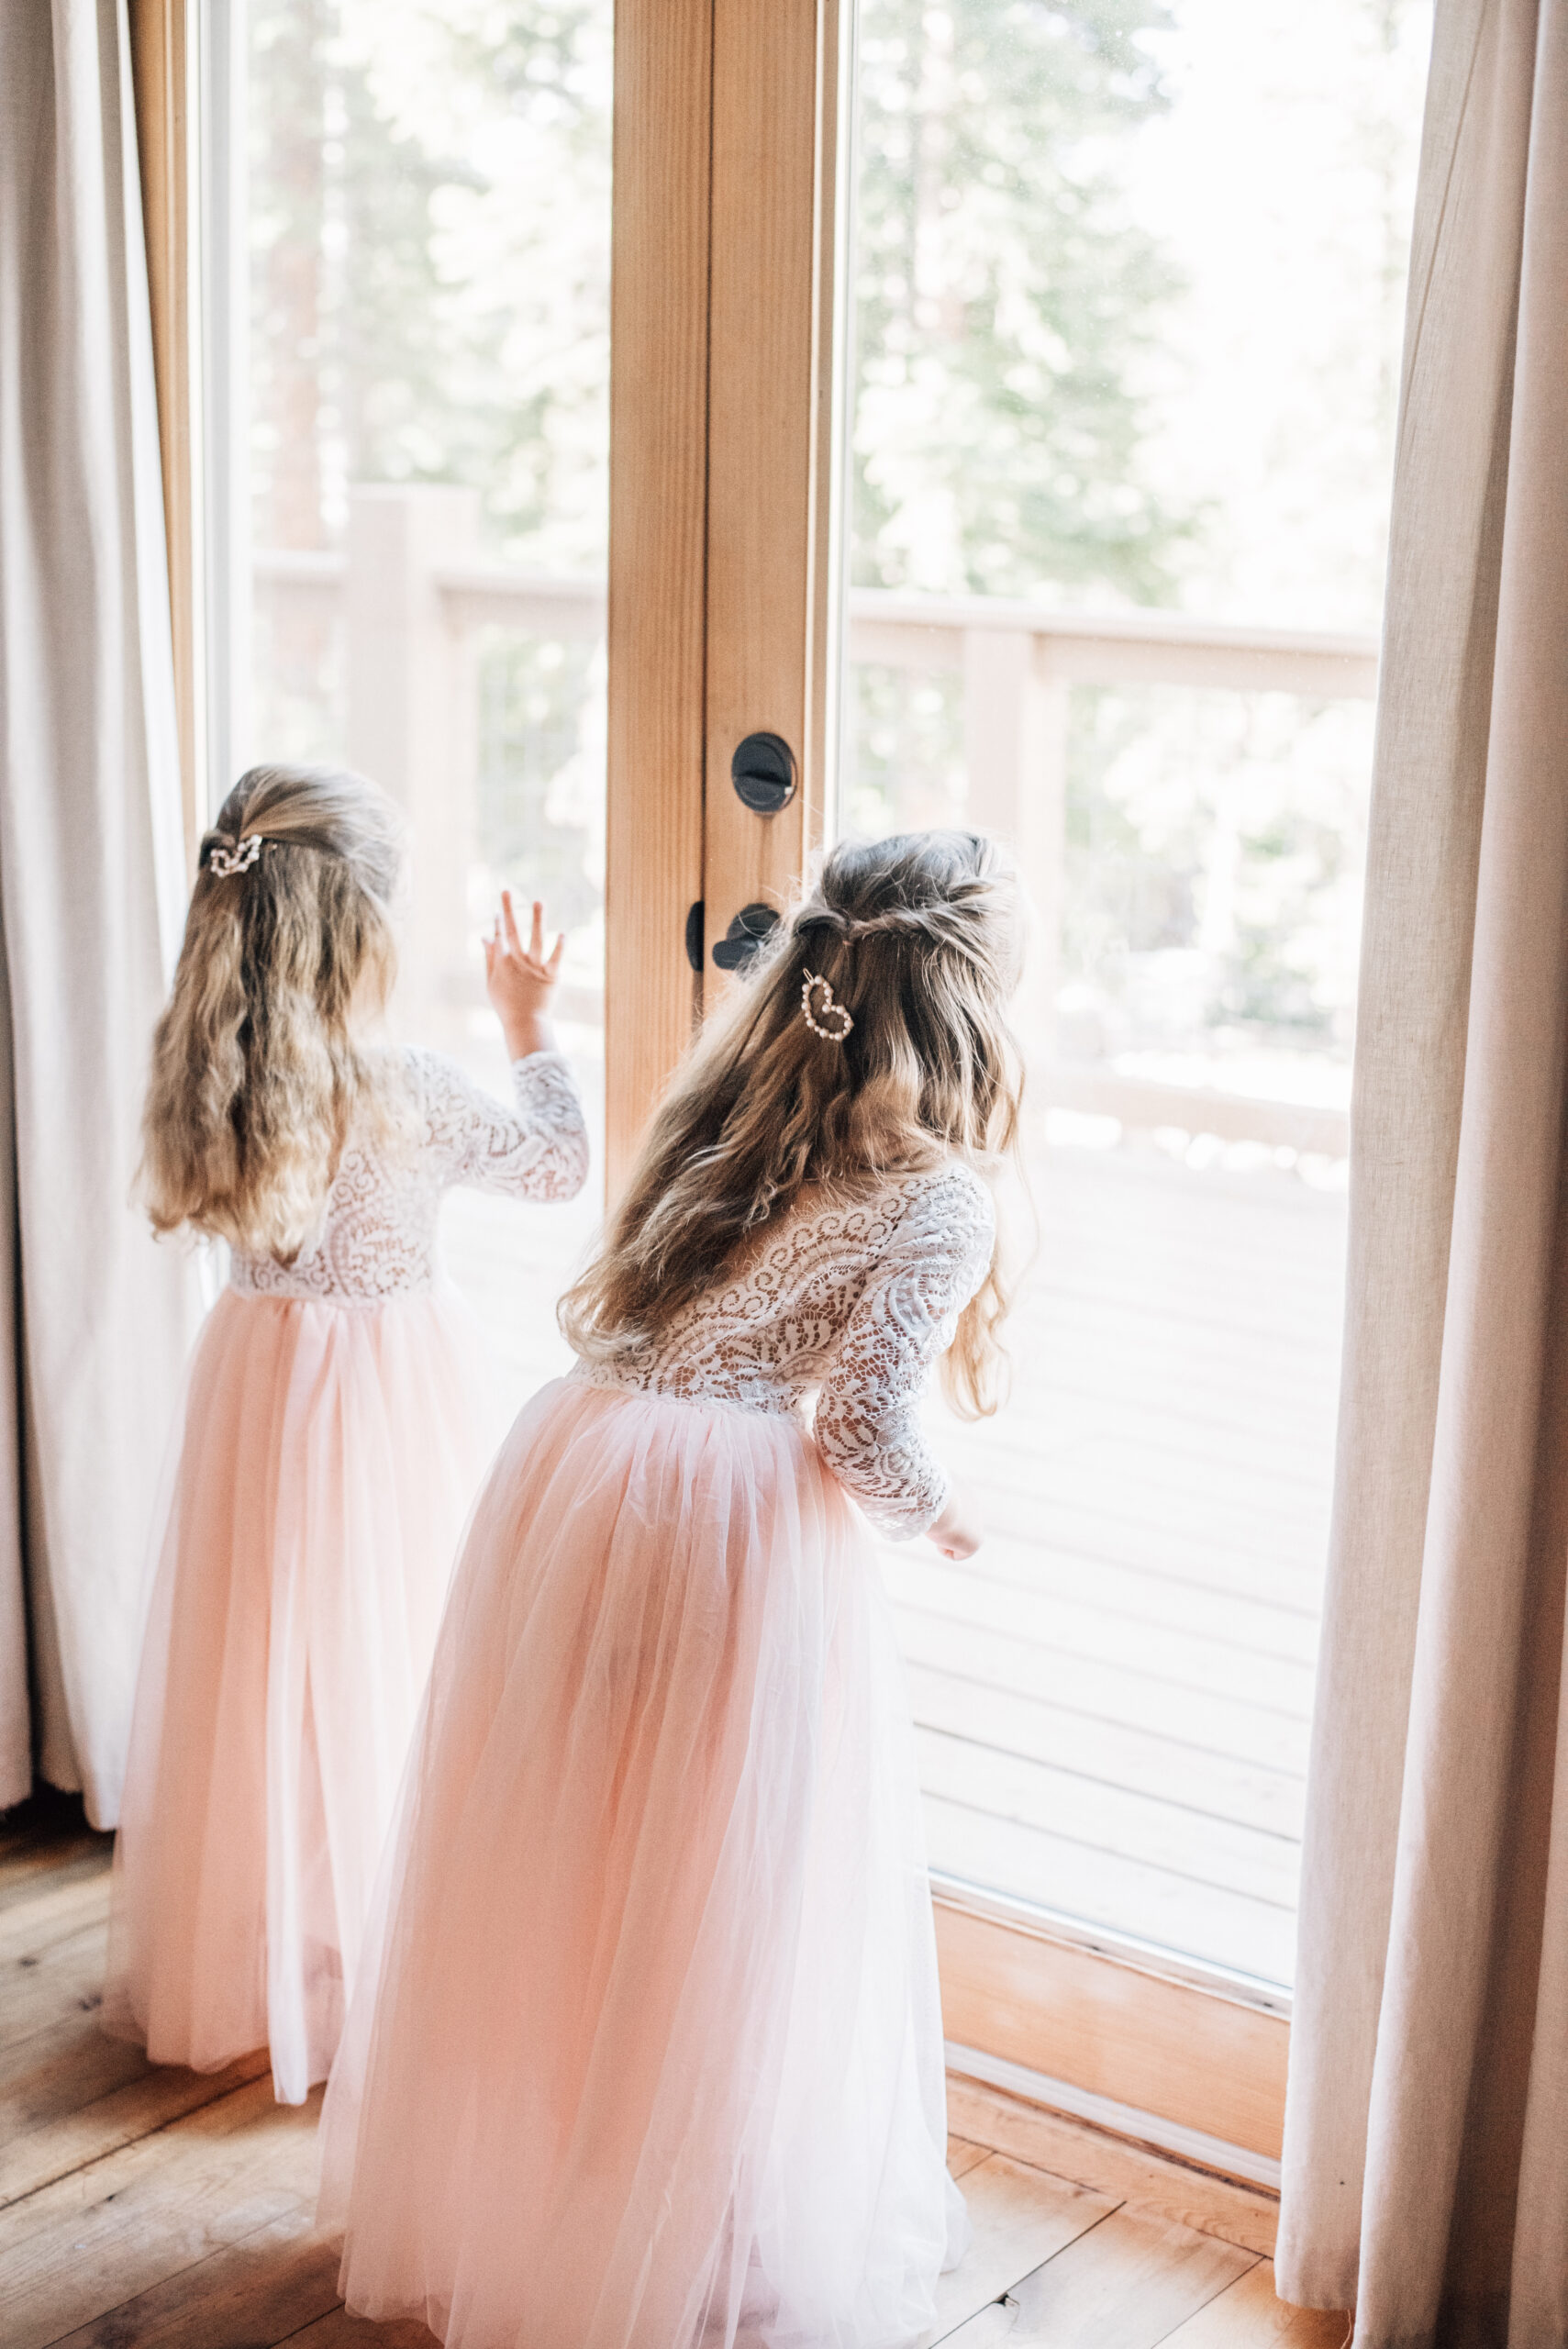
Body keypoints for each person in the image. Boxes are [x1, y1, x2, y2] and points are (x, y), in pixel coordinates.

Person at [319, 828, 1024, 2349]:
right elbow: (855, 1425)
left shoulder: (737, 1105)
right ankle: (677, 2222)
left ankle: (568, 2180)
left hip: (579, 1457)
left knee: (584, 1839)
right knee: (724, 1872)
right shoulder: (940, 1197)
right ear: (966, 1008)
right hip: (718, 1516)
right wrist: (944, 1518)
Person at [103, 763, 588, 2105]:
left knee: (261, 1659)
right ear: (361, 931)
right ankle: (378, 1941)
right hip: (381, 1398)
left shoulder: (210, 1069)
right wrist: (528, 1022)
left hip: (258, 1385)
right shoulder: (404, 1086)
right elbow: (556, 1166)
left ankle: (264, 1947)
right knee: (391, 1646)